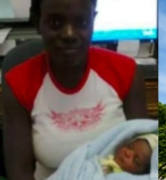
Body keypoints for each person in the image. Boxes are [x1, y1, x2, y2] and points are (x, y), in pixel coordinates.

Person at [2, 0, 148, 179]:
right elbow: (20, 172)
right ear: (37, 23)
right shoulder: (18, 82)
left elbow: (147, 154)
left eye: (82, 22)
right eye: (56, 23)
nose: (69, 34)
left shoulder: (126, 72)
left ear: (93, 21)